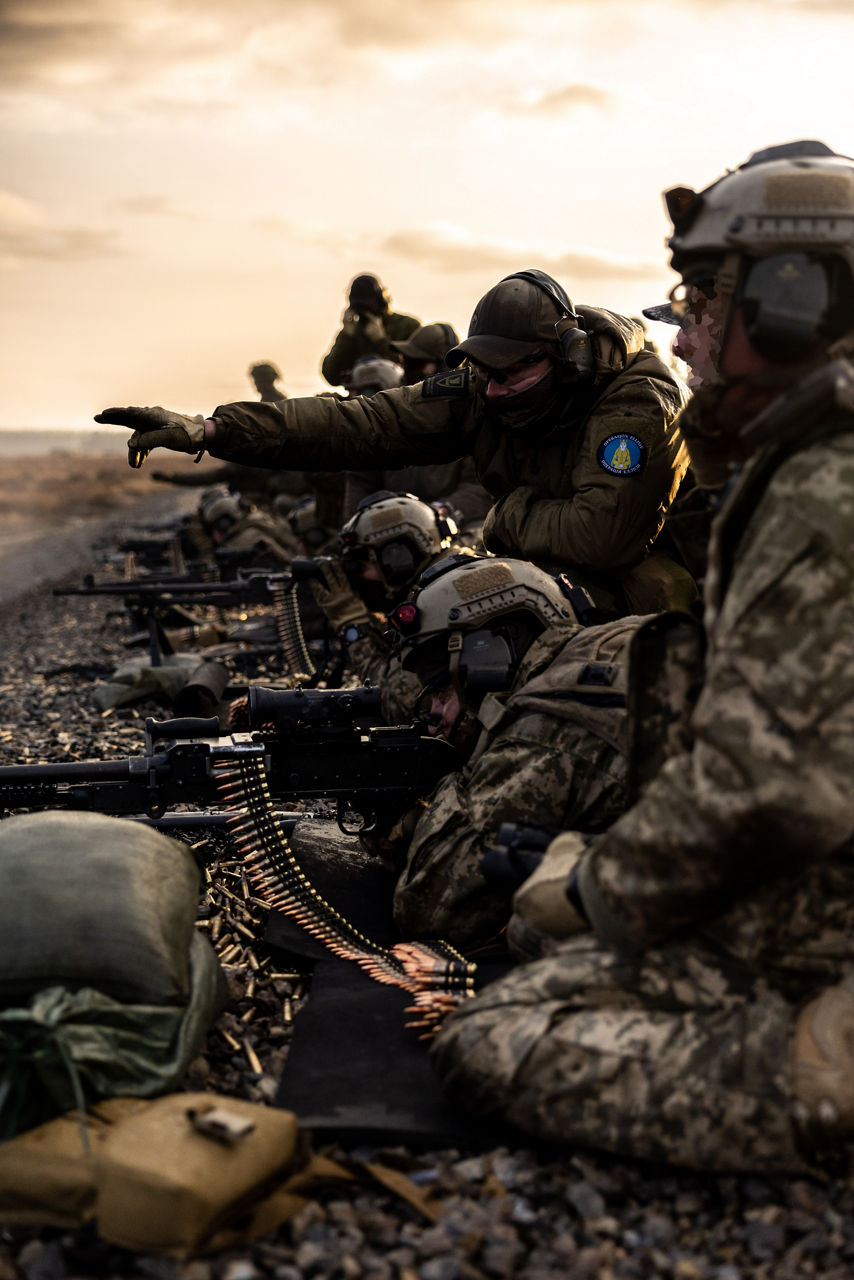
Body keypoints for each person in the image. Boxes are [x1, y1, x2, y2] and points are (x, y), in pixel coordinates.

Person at [429, 139, 854, 1175]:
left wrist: (594, 884)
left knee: (495, 1035)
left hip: (821, 923)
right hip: (813, 902)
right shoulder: (804, 462)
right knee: (531, 975)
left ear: (788, 302)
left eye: (702, 299)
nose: (685, 331)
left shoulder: (819, 489)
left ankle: (829, 1079)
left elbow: (767, 785)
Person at [95, 270, 693, 615]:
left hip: (656, 593)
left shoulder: (635, 403)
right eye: (484, 372)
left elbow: (604, 535)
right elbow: (357, 423)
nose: (493, 389)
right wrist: (212, 430)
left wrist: (506, 516)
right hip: (556, 565)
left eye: (509, 373)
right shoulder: (484, 386)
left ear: (564, 358)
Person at [379, 554, 654, 948]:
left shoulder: (553, 719)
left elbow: (430, 909)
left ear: (489, 655)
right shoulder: (618, 643)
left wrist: (433, 805)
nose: (435, 715)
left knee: (536, 929)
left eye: (441, 687)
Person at [308, 490, 466, 724]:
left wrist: (351, 620)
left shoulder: (442, 599)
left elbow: (395, 703)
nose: (360, 579)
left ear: (397, 559)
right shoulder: (448, 577)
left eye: (362, 567)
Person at [342, 323, 493, 530]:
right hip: (392, 524)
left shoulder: (474, 417)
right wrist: (356, 527)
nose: (408, 369)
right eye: (406, 361)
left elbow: (480, 489)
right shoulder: (394, 412)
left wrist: (439, 513)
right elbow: (362, 479)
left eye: (418, 362)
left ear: (444, 367)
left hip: (452, 526)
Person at [320, 274, 420, 388]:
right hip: (359, 400)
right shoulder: (352, 333)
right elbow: (331, 376)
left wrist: (381, 341)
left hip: (398, 396)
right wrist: (347, 336)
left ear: (382, 301)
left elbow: (417, 371)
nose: (365, 311)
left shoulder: (407, 326)